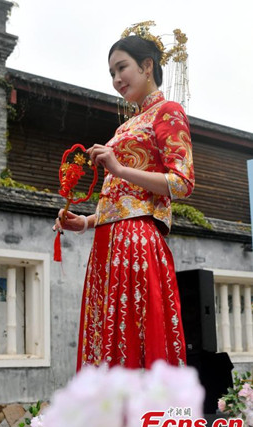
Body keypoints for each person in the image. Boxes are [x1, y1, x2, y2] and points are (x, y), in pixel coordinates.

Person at [55, 22, 195, 370]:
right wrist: (86, 221)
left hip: (137, 241)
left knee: (132, 334)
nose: (117, 79)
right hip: (107, 239)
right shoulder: (124, 128)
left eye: (122, 68)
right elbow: (121, 197)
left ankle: (142, 420)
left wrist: (118, 168)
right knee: (107, 335)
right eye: (111, 73)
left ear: (147, 66)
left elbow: (182, 183)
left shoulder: (168, 112)